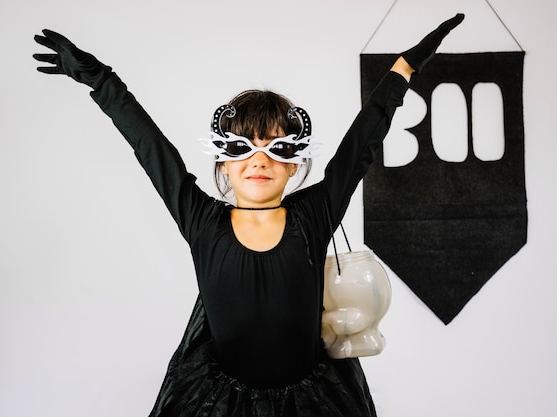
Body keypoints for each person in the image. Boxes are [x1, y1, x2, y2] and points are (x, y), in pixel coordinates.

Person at [34, 14, 464, 417]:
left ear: (295, 163)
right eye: (242, 147)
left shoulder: (313, 216)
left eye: (276, 147)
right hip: (221, 402)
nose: (259, 160)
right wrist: (101, 80)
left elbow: (360, 146)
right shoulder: (202, 220)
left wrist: (403, 70)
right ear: (222, 162)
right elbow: (150, 146)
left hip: (312, 401)